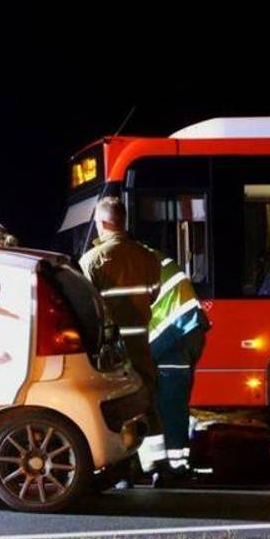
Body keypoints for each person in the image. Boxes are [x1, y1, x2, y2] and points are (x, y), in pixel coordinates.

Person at [79, 197, 162, 397]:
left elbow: (86, 306)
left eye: (98, 223)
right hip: (141, 338)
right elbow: (153, 294)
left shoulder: (91, 260)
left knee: (117, 396)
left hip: (110, 344)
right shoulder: (148, 256)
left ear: (105, 223)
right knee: (146, 389)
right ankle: (151, 427)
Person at [144, 247, 210, 482]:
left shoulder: (129, 261)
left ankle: (174, 467)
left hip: (175, 335)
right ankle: (172, 464)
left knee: (169, 405)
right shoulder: (153, 257)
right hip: (185, 332)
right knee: (172, 404)